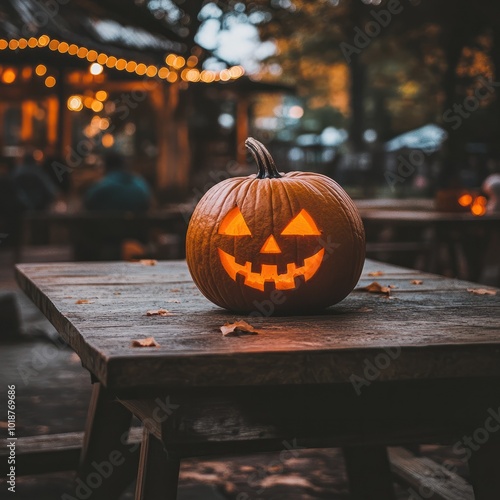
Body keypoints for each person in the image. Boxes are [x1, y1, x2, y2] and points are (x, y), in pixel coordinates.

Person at [84, 153, 151, 212]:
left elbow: (88, 203)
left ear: (106, 167)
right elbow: (148, 204)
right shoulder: (139, 184)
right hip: (135, 226)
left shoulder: (99, 188)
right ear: (124, 166)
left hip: (103, 225)